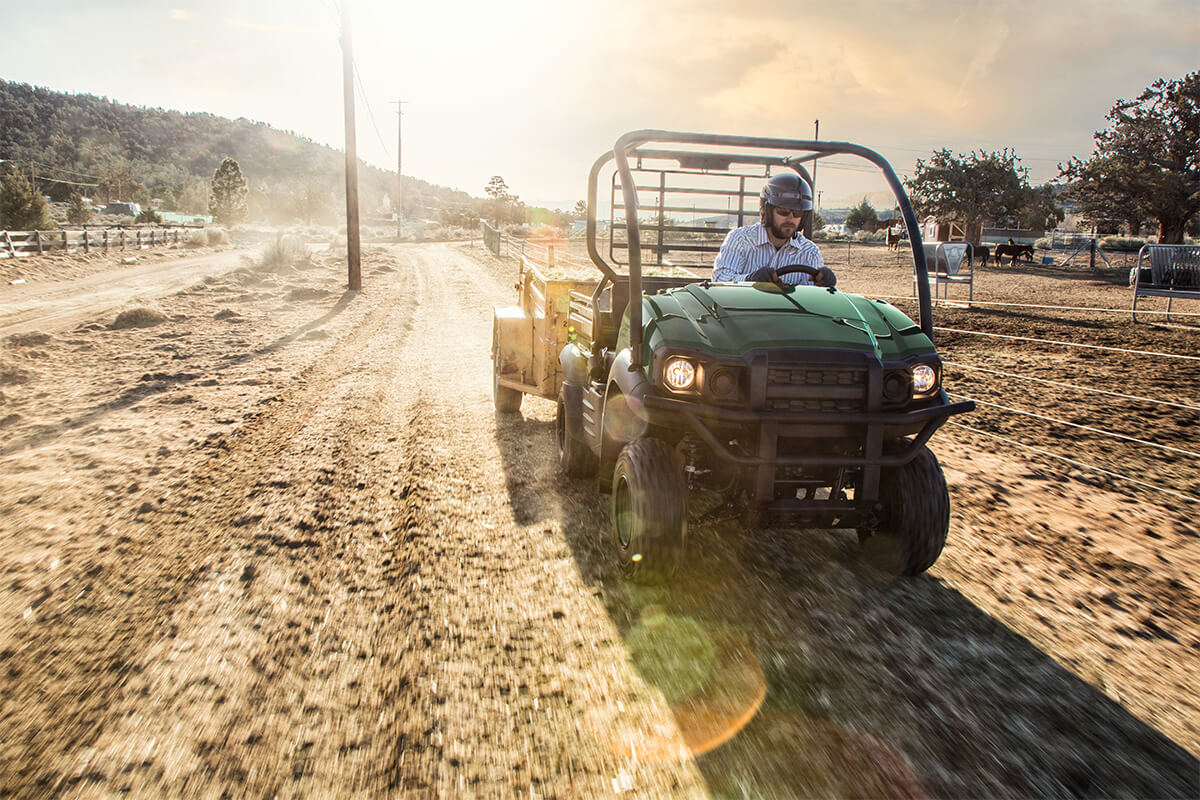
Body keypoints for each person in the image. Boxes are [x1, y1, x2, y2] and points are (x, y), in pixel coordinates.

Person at [712, 172, 835, 287]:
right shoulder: (741, 239)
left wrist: (822, 286)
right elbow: (719, 279)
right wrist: (749, 280)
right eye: (783, 211)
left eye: (797, 213)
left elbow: (811, 299)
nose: (791, 218)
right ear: (768, 212)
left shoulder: (809, 252)